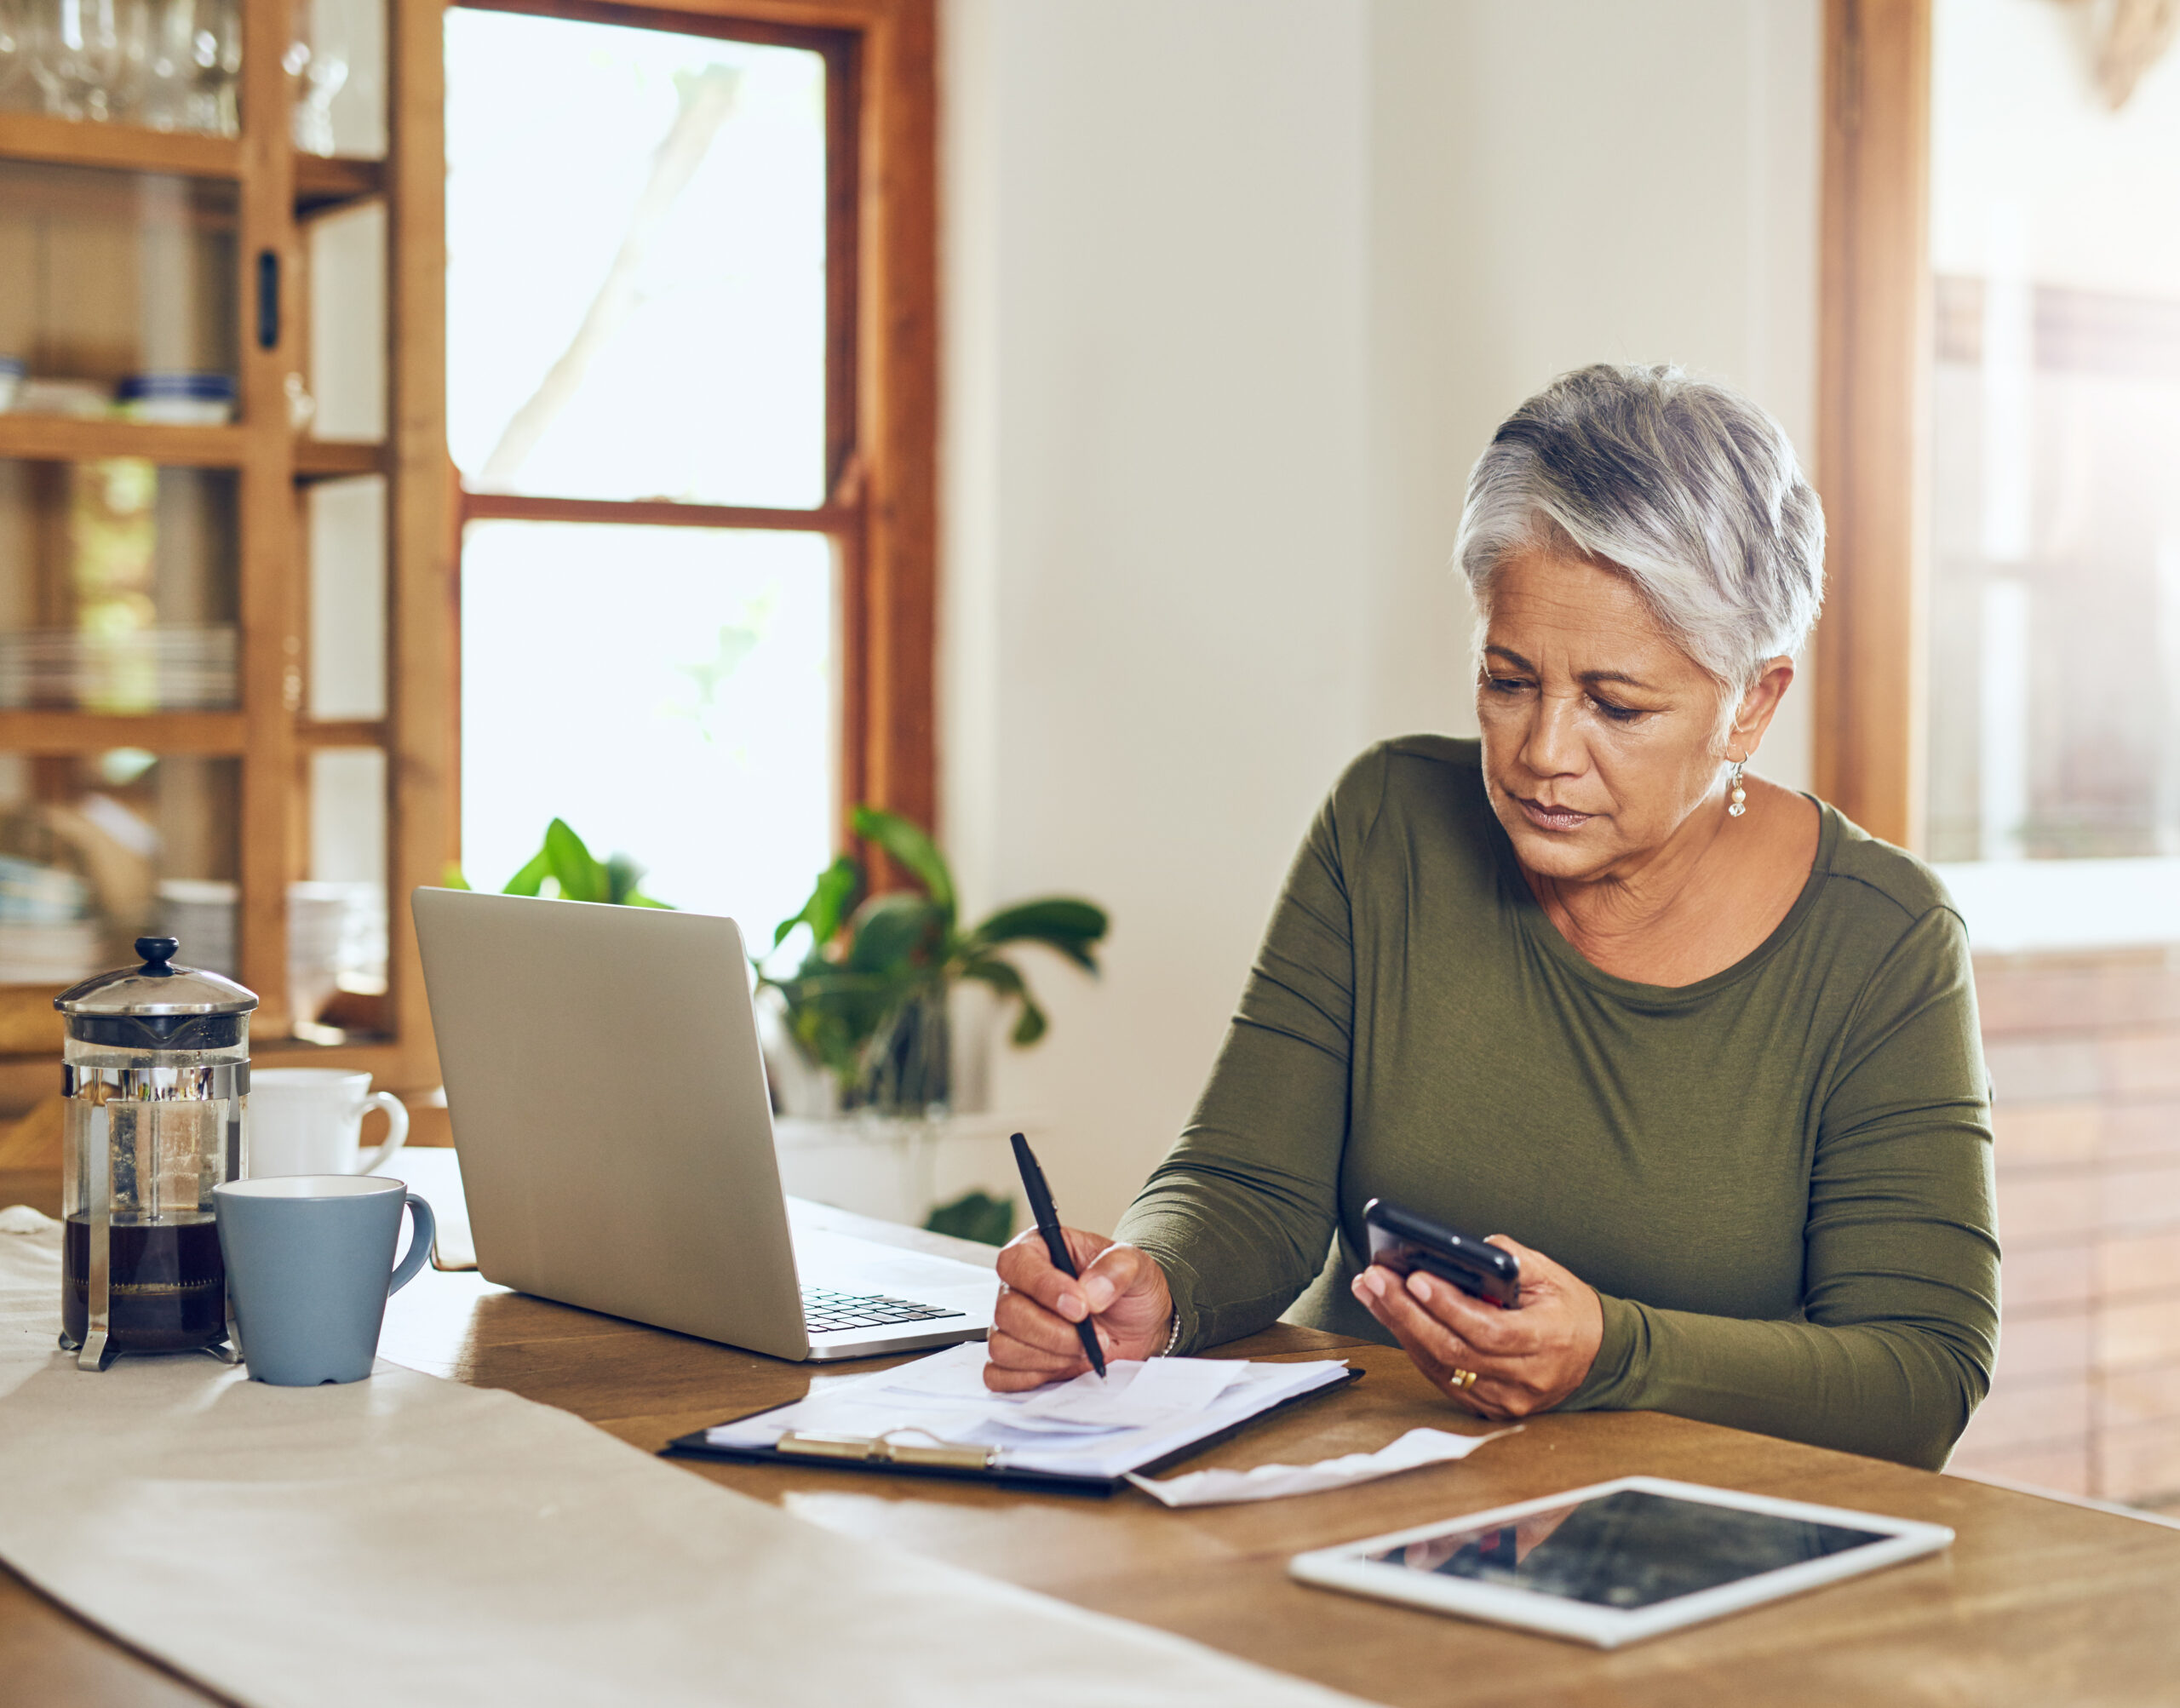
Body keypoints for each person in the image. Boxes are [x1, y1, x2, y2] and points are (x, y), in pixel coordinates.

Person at [982, 364, 1999, 1472]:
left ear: (1752, 701)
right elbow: (1246, 1183)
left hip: (1694, 1563)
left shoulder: (1886, 940)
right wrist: (1155, 1286)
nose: (1544, 753)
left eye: (1616, 704)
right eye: (1510, 681)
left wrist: (1613, 1350)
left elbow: (1919, 1375)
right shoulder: (1388, 823)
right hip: (1348, 1500)